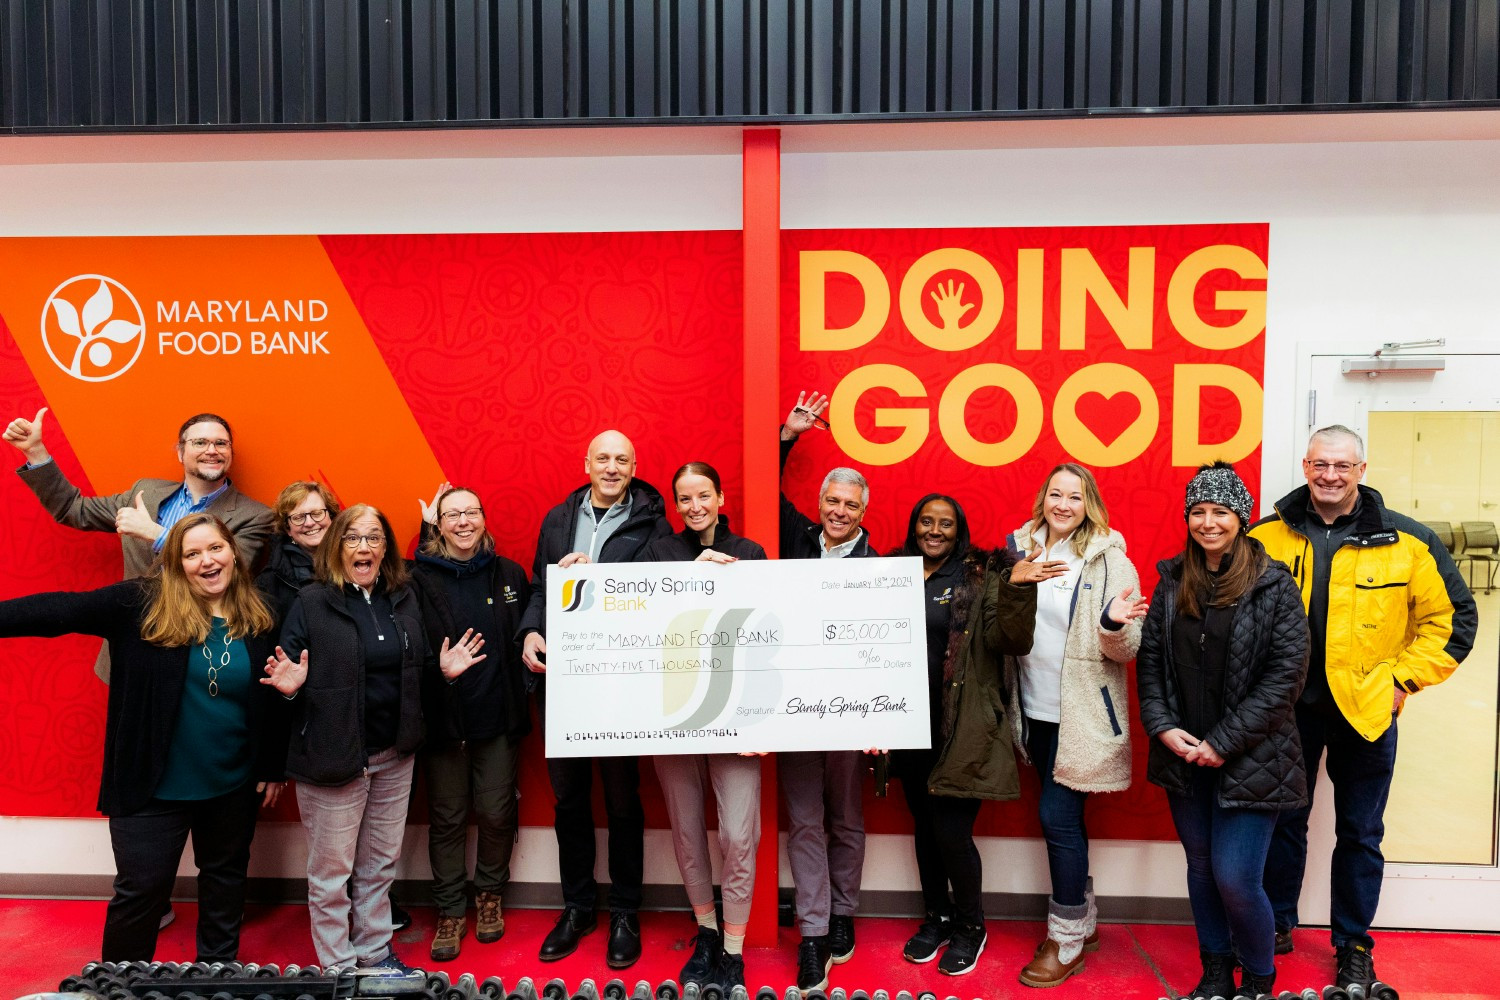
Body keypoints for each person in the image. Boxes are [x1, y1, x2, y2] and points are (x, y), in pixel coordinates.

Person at [0, 513, 286, 963]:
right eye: (192, 554)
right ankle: (120, 984)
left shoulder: (260, 613)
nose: (207, 561)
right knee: (141, 893)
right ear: (175, 562)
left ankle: (217, 977)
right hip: (151, 786)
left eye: (215, 548)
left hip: (232, 784)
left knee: (226, 880)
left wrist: (270, 765)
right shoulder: (140, 604)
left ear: (233, 552)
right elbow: (60, 609)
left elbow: (268, 699)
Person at [1249, 425, 1476, 991]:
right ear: (1305, 466)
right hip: (1286, 712)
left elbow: (1454, 623)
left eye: (1342, 466)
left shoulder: (1408, 540)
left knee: (1359, 832)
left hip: (1368, 711)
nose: (1330, 475)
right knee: (1282, 823)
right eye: (1320, 464)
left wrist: (1402, 681)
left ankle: (1352, 944)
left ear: (1361, 469)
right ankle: (1275, 924)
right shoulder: (1265, 538)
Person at [261, 503, 486, 973]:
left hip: (394, 756)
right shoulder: (311, 602)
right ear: (336, 547)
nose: (364, 547)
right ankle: (339, 967)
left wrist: (442, 673)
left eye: (374, 538)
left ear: (385, 549)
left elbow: (417, 668)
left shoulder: (402, 599)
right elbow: (288, 674)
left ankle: (375, 954)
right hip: (332, 758)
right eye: (352, 538)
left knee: (379, 867)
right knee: (330, 876)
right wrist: (290, 691)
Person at [1136, 462, 1310, 1000]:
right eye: (1198, 512)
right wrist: (1162, 726)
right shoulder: (1172, 580)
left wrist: (1223, 742)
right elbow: (1151, 664)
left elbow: (1286, 676)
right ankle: (1215, 971)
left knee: (1237, 878)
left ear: (1242, 517)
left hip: (1254, 758)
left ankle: (1258, 978)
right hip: (1183, 754)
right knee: (1202, 870)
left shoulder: (1274, 584)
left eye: (1220, 512)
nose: (1208, 522)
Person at [517, 429, 671, 967]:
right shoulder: (558, 520)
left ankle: (626, 910)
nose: (611, 467)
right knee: (570, 798)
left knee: (624, 799)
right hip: (563, 682)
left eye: (621, 459)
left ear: (634, 465)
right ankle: (578, 906)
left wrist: (602, 580)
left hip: (621, 683)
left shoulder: (653, 521)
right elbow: (541, 586)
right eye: (602, 458)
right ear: (586, 463)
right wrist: (531, 631)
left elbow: (659, 591)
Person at [1004, 464, 1147, 987]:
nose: (1063, 505)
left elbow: (1128, 649)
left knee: (1057, 819)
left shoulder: (1112, 560)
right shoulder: (1018, 548)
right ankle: (1082, 922)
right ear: (1043, 497)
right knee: (1063, 820)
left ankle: (1064, 940)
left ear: (1090, 504)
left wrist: (1111, 623)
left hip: (1082, 717)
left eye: (1075, 496)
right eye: (1056, 494)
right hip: (1032, 711)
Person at [3, 409, 275, 682]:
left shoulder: (255, 516)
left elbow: (231, 576)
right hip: (132, 642)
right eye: (200, 442)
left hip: (197, 651)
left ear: (230, 453)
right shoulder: (146, 494)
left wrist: (156, 534)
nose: (211, 450)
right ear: (181, 452)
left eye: (221, 443)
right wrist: (36, 452)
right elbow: (72, 509)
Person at [886, 494, 1039, 977]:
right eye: (926, 522)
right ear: (913, 527)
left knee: (952, 832)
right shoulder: (890, 573)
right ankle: (937, 917)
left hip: (963, 726)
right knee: (925, 830)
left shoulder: (981, 576)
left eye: (945, 524)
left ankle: (971, 926)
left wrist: (1015, 589)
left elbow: (1010, 641)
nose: (934, 530)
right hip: (907, 726)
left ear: (959, 530)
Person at [637, 462, 768, 992]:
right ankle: (707, 932)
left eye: (702, 496)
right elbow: (638, 621)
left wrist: (766, 721)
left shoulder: (751, 553)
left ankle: (734, 949)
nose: (693, 507)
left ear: (719, 497)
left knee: (739, 833)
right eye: (684, 499)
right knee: (687, 831)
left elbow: (768, 634)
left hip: (735, 715)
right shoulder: (658, 553)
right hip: (673, 712)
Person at [777, 391, 877, 994]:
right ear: (820, 504)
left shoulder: (883, 565)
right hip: (791, 711)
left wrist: (882, 723)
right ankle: (813, 933)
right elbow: (765, 478)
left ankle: (844, 914)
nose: (838, 511)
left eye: (849, 504)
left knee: (846, 818)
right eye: (831, 501)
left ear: (864, 510)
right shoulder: (793, 538)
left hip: (849, 716)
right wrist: (788, 434)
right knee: (803, 820)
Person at [410, 486, 531, 963]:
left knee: (498, 814)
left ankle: (489, 897)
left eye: (471, 512)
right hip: (443, 722)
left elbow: (531, 629)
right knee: (447, 819)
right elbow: (406, 651)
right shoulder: (417, 579)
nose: (463, 521)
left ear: (484, 517)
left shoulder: (510, 574)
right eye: (452, 514)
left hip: (498, 720)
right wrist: (438, 670)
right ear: (438, 525)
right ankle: (448, 910)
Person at [256, 481, 342, 626]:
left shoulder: (357, 563)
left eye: (317, 513)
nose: (309, 523)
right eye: (298, 517)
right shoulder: (268, 583)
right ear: (288, 529)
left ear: (332, 518)